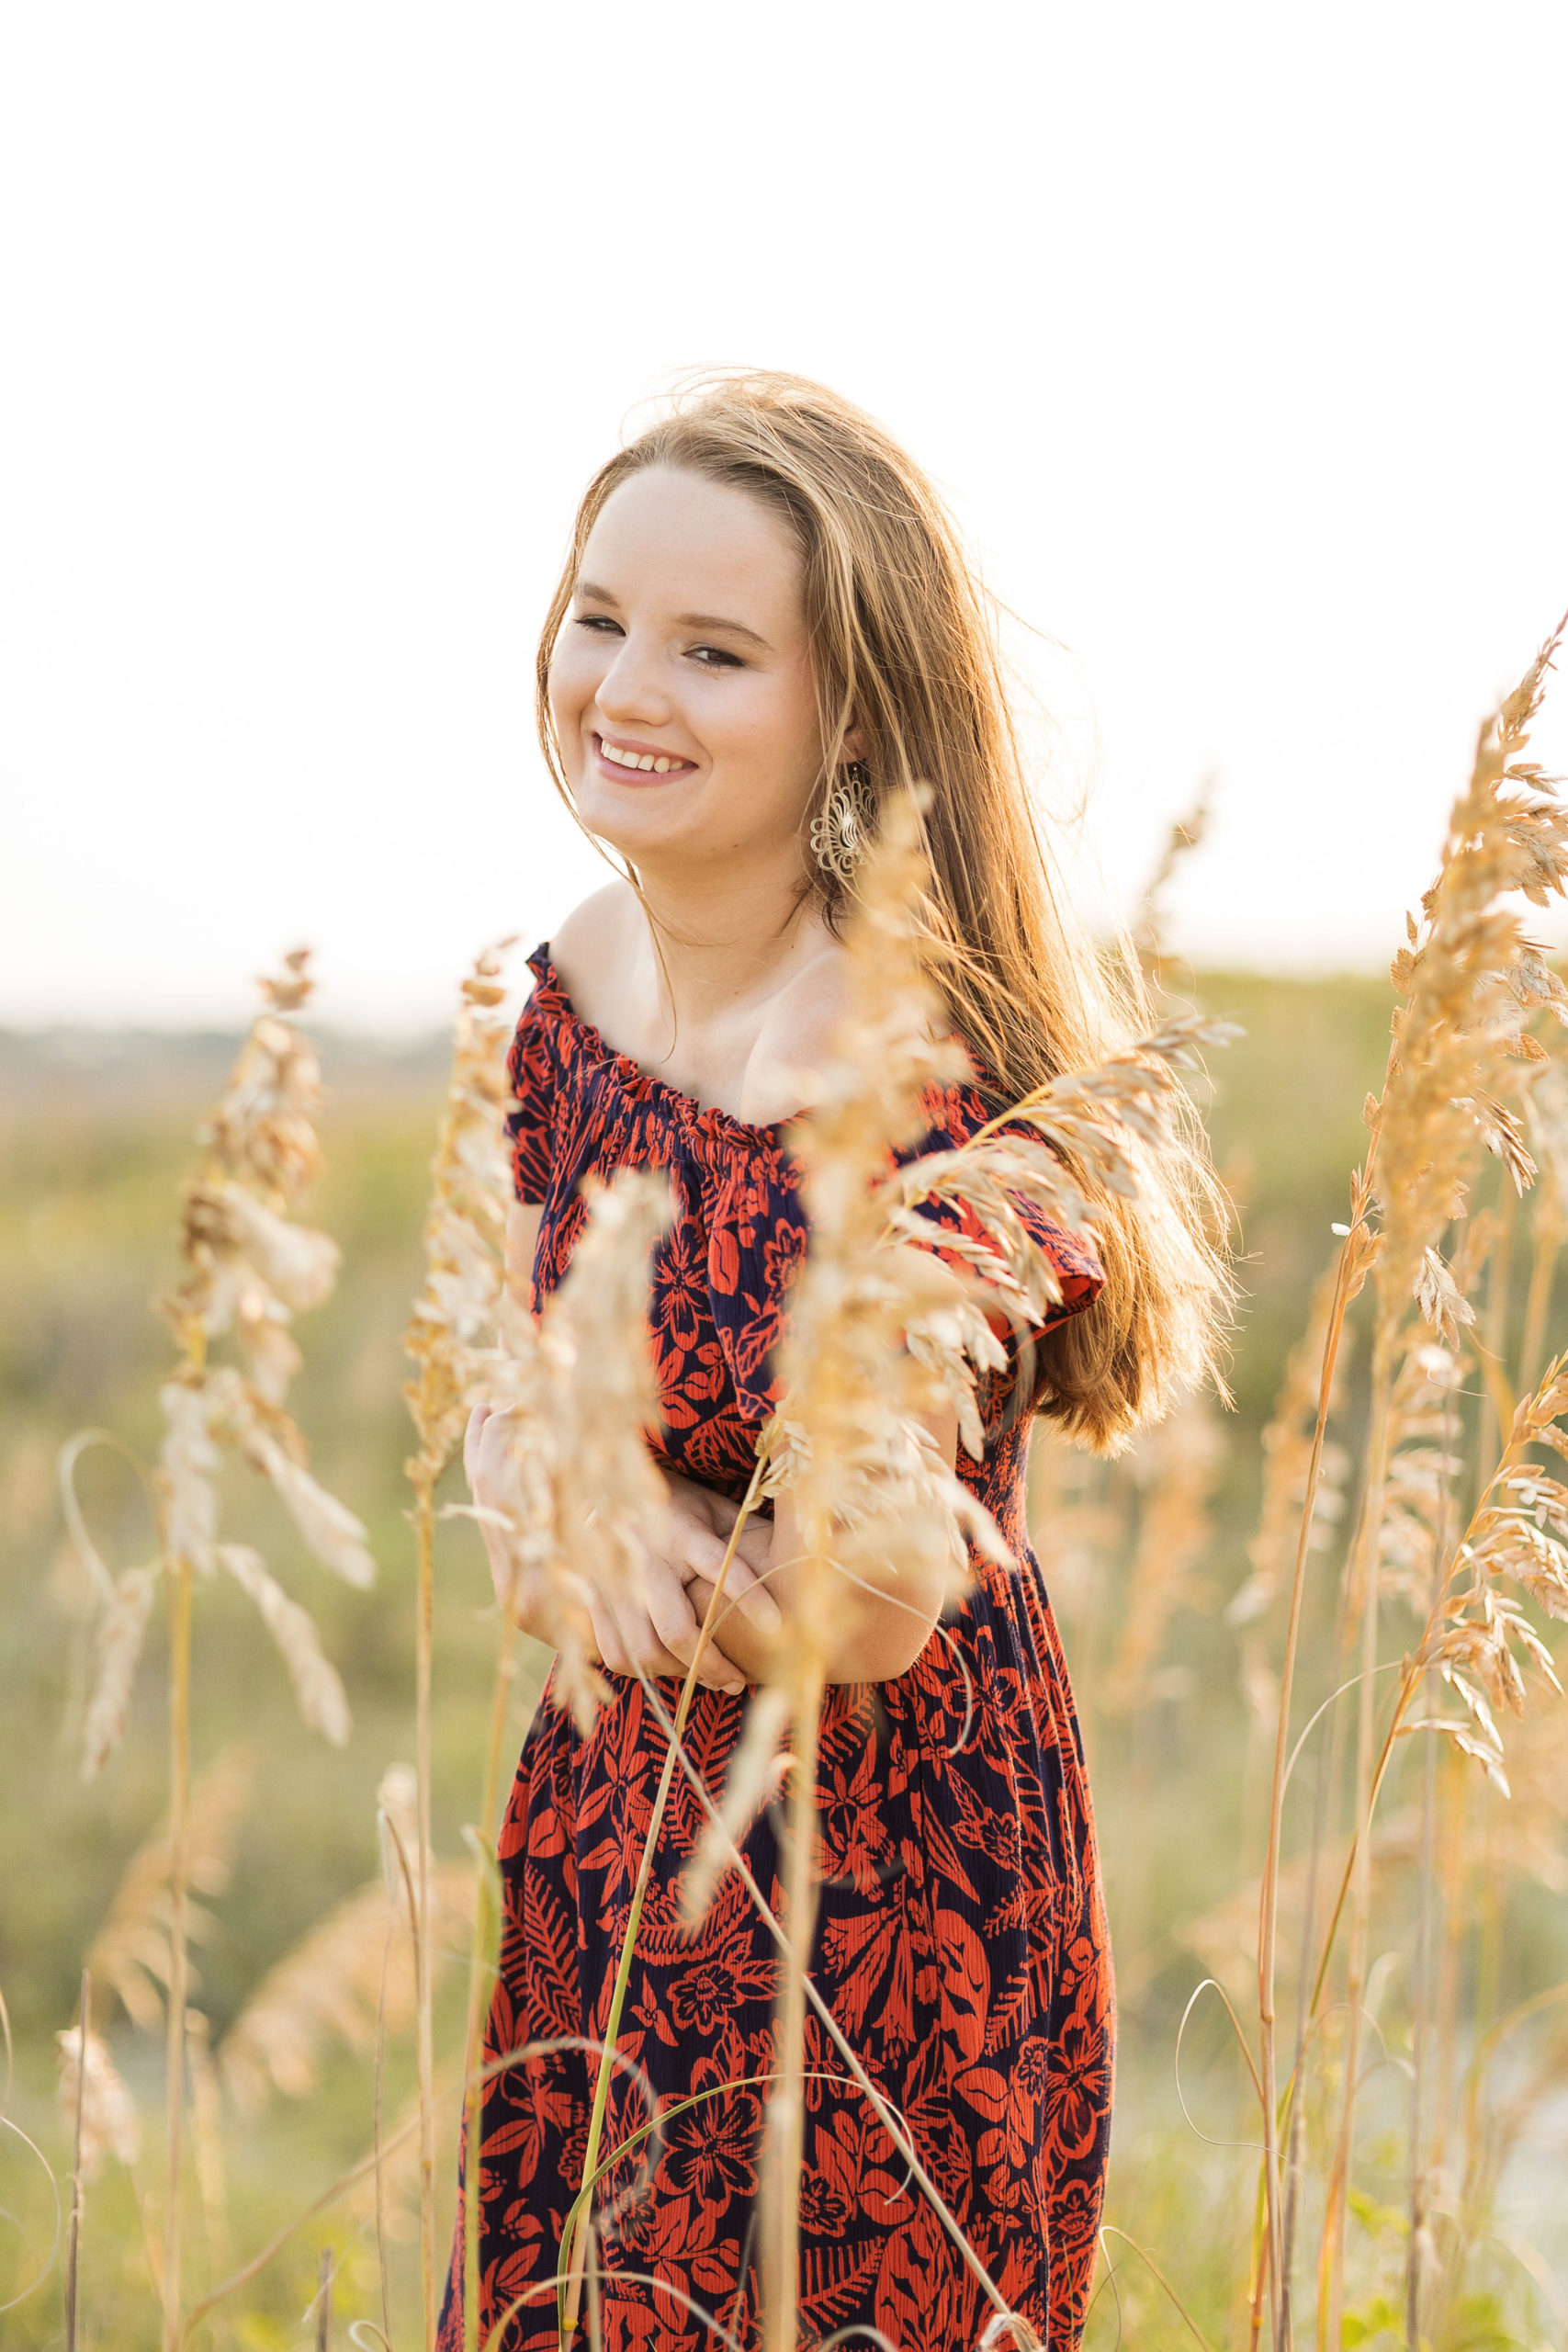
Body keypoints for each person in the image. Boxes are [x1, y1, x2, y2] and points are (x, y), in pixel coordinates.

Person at [441, 373, 1227, 2351]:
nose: (625, 682)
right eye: (601, 615)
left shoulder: (914, 1070)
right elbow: (496, 1400)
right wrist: (555, 1506)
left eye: (712, 648)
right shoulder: (565, 992)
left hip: (882, 1904)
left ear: (849, 715)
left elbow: (868, 1598)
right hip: (610, 1857)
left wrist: (615, 1543)